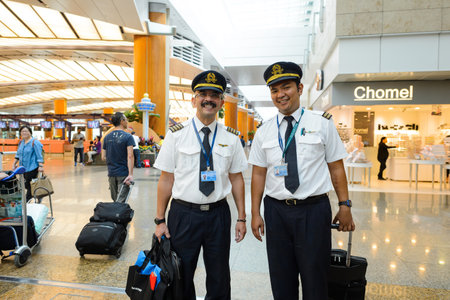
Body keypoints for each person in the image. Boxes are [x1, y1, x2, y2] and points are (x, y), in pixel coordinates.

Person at [249, 62, 355, 300]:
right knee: (281, 277)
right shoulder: (264, 131)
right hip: (276, 211)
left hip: (313, 211)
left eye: (286, 87)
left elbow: (336, 167)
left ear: (299, 88)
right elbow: (258, 173)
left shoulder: (322, 123)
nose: (280, 94)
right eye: (275, 90)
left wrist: (344, 205)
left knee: (315, 277)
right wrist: (255, 212)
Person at [153, 70, 248, 300]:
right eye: (203, 94)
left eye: (214, 95)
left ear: (221, 102)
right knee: (181, 273)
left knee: (219, 275)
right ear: (193, 99)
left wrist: (242, 217)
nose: (209, 99)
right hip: (184, 214)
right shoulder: (176, 135)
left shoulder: (231, 138)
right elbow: (166, 179)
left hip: (218, 214)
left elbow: (236, 179)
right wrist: (160, 220)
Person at [101, 112, 134, 202]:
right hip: (123, 173)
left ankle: (115, 215)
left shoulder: (107, 137)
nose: (127, 122)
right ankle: (119, 215)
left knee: (115, 200)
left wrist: (113, 160)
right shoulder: (128, 136)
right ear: (121, 121)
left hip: (111, 173)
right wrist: (130, 174)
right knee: (121, 201)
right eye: (126, 120)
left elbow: (103, 157)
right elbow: (130, 156)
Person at [13, 126, 44, 201]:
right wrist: (14, 163)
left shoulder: (35, 142)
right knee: (26, 185)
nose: (24, 133)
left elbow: (39, 155)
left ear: (30, 132)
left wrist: (40, 165)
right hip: (23, 168)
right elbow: (18, 154)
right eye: (22, 131)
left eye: (26, 131)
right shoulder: (21, 142)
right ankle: (37, 195)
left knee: (30, 185)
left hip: (33, 167)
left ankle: (27, 201)